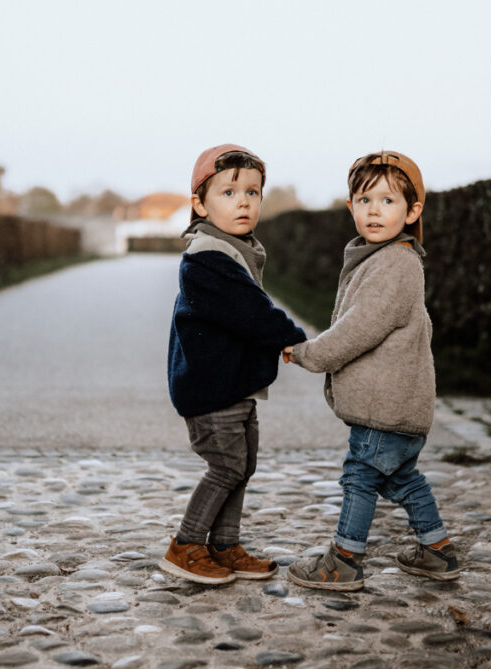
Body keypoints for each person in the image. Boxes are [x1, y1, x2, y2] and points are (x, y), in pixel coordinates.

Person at [282, 150, 460, 591]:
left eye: (387, 201)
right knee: (402, 478)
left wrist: (311, 354)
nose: (374, 210)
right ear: (351, 208)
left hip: (385, 407)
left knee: (359, 476)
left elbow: (360, 327)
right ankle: (437, 551)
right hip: (399, 406)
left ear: (412, 210)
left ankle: (343, 559)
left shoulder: (396, 264)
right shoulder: (381, 257)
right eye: (364, 201)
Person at [160, 144, 308, 585]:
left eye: (253, 192)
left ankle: (224, 545)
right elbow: (251, 312)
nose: (243, 201)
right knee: (225, 467)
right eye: (228, 192)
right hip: (211, 390)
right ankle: (185, 545)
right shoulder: (206, 258)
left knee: (243, 466)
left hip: (235, 386)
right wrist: (296, 341)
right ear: (200, 204)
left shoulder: (236, 249)